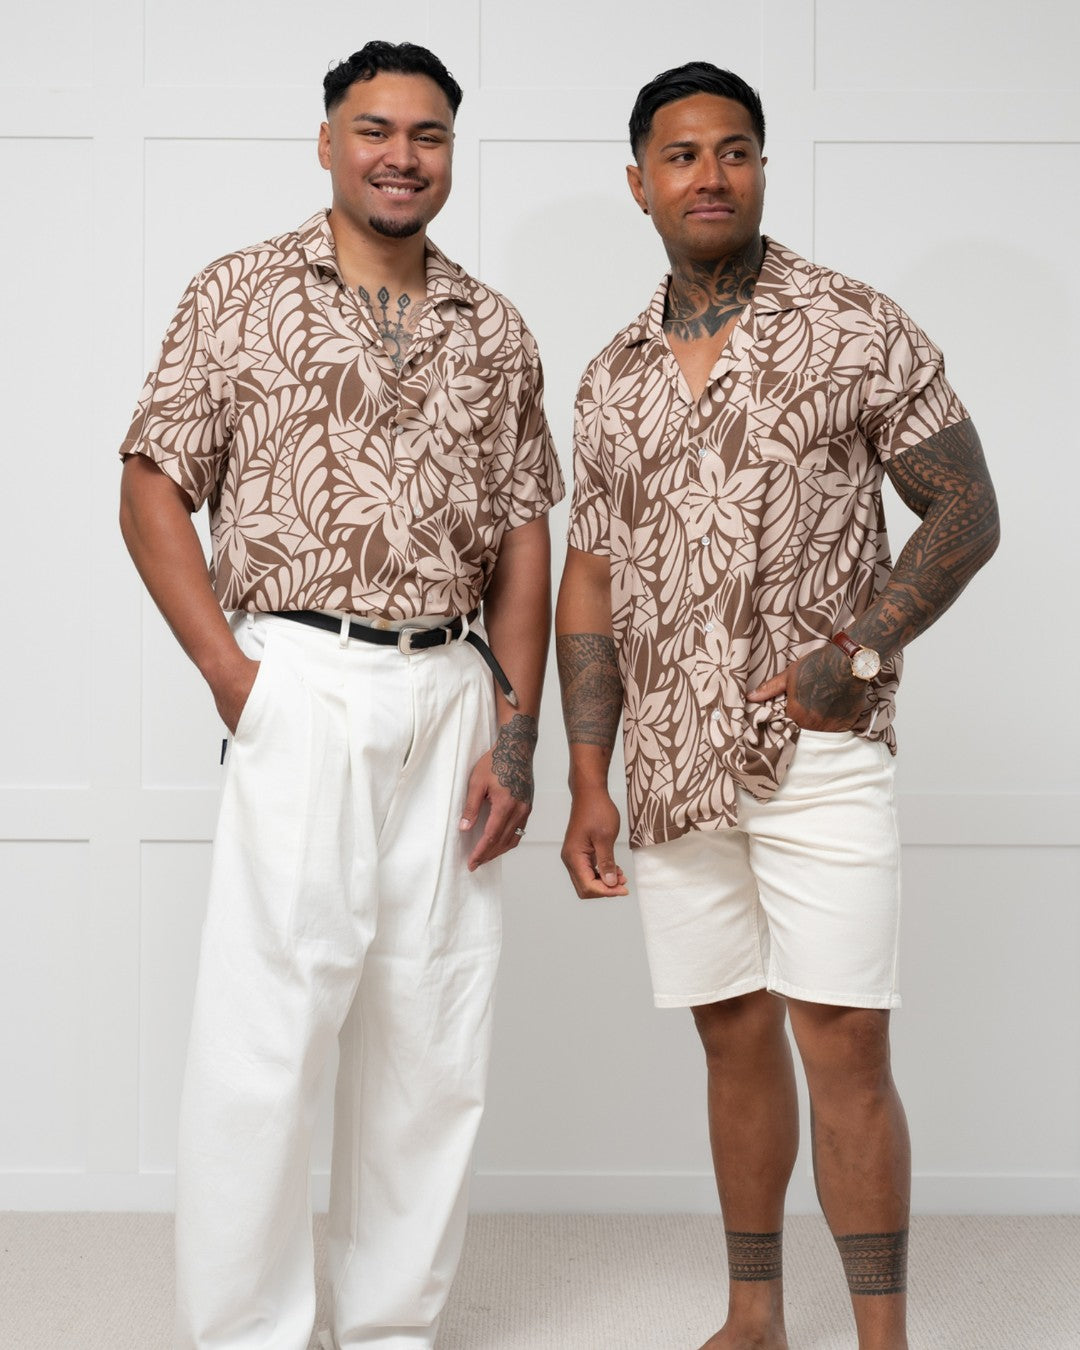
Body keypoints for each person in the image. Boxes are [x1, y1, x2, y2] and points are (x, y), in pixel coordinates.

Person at [119, 40, 562, 1350]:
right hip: (299, 672)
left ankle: (388, 1329)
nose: (401, 155)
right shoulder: (241, 294)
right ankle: (248, 1330)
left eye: (427, 135)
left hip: (454, 692)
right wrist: (231, 673)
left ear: (449, 155)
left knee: (435, 1037)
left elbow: (525, 535)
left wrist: (519, 732)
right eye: (375, 129)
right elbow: (153, 480)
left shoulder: (496, 326)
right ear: (326, 140)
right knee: (269, 1030)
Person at [556, 62, 998, 1350]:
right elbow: (591, 577)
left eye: (736, 151)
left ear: (761, 167)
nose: (711, 175)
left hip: (820, 752)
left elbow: (966, 513)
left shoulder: (854, 325)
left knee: (844, 1039)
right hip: (674, 763)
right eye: (682, 156)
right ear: (637, 181)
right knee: (733, 1037)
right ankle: (754, 1315)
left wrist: (850, 657)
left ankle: (882, 1339)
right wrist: (592, 769)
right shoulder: (611, 378)